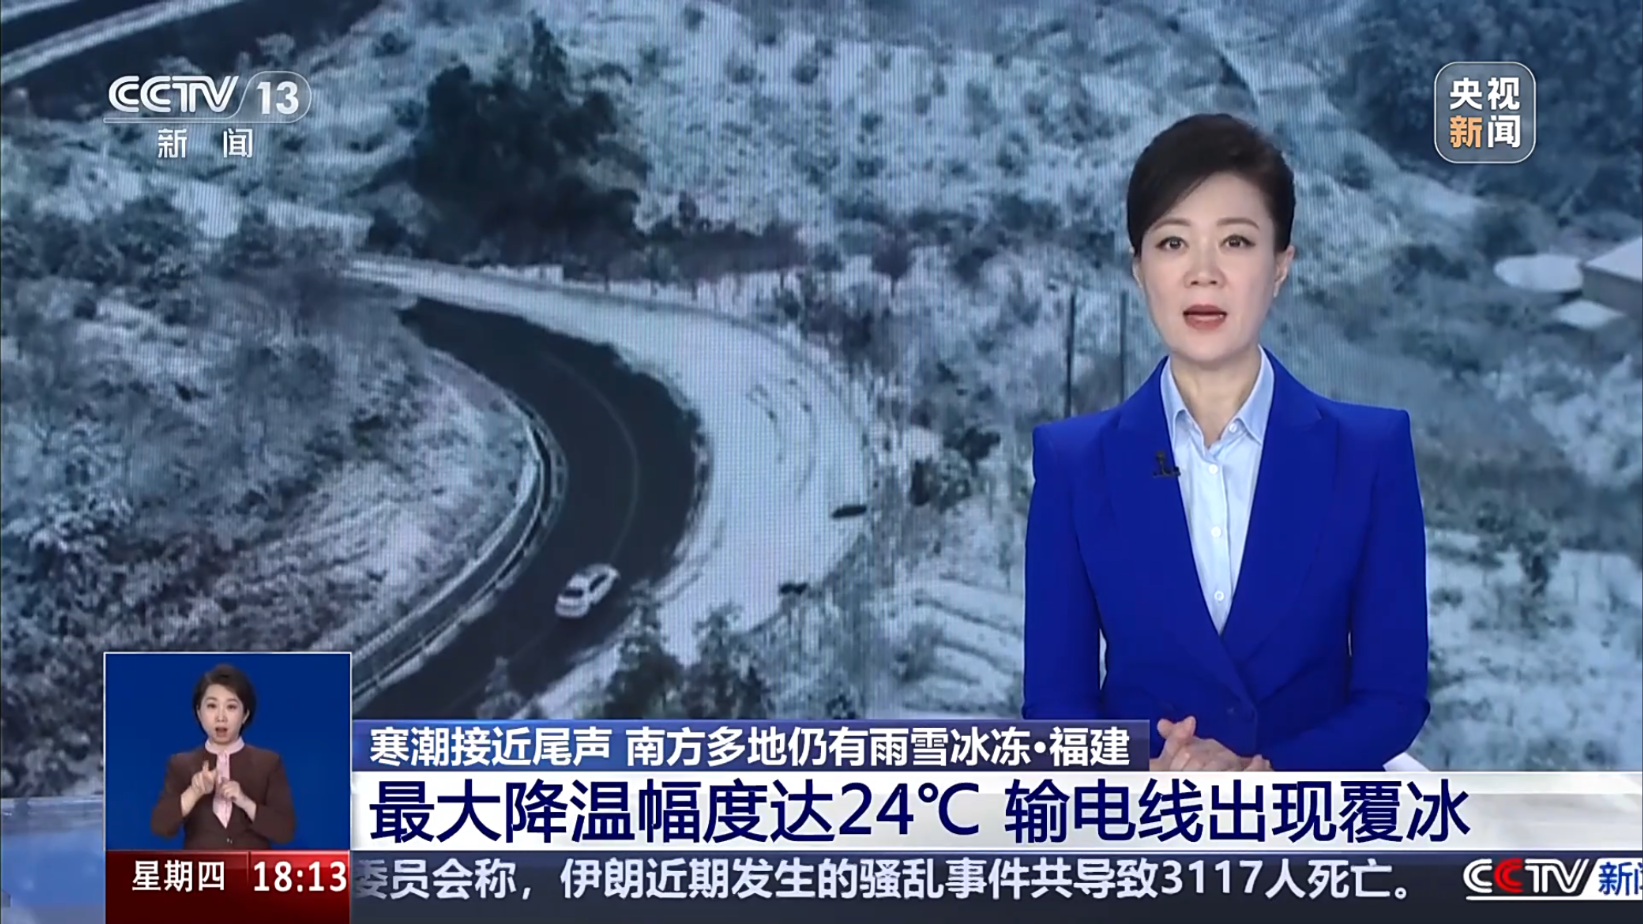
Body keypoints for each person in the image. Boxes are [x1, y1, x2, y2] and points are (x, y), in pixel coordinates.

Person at [1022, 113, 1429, 772]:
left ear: (1280, 265)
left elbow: (1392, 699)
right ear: (1139, 269)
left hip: (1312, 818)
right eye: (1173, 243)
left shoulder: (1368, 453)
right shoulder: (1074, 464)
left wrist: (1263, 772)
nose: (1203, 273)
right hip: (1142, 815)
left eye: (1236, 242)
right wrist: (1154, 769)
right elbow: (1054, 705)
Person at [150, 663, 297, 848]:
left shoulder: (268, 763)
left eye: (231, 707)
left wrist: (245, 802)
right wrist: (193, 793)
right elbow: (160, 827)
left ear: (245, 715)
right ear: (199, 713)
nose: (221, 717)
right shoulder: (181, 764)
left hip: (252, 865)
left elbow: (285, 831)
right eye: (212, 706)